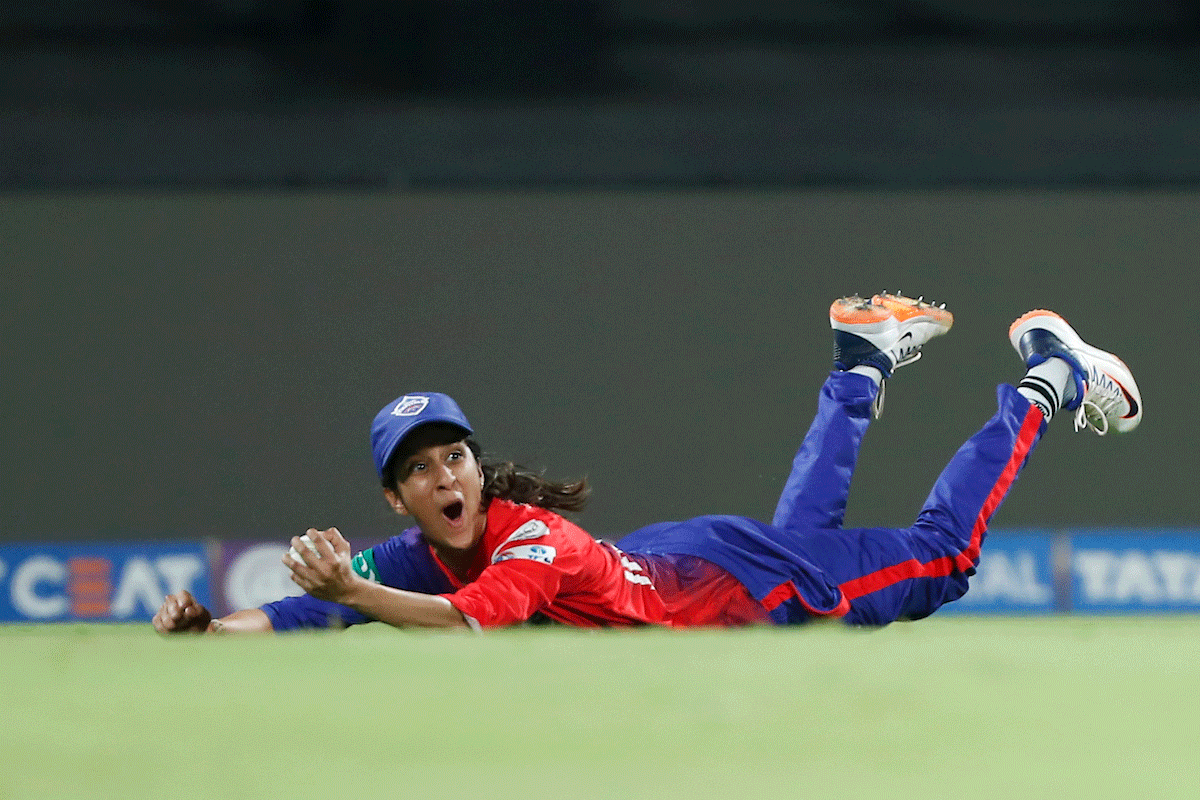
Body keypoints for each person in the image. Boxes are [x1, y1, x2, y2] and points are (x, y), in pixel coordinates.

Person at [152, 292, 1141, 634]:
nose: (445, 476)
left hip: (734, 587)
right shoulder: (429, 552)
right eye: (421, 469)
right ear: (398, 496)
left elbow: (458, 621)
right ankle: (863, 361)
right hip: (683, 564)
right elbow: (308, 609)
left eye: (455, 455)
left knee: (943, 560)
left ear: (476, 468)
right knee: (799, 540)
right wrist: (209, 626)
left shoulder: (523, 539)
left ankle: (1045, 381)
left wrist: (354, 593)